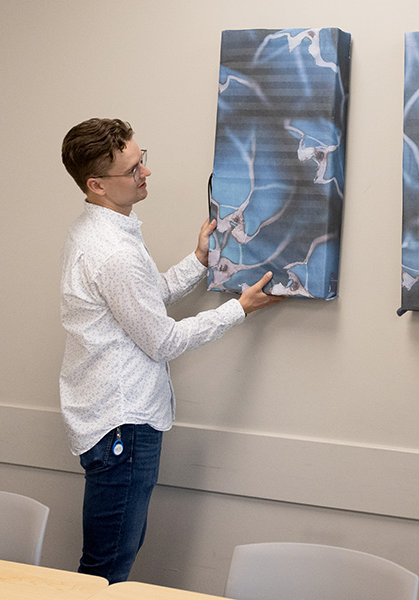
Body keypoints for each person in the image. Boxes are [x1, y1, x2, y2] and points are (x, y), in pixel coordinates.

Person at [59, 118, 282, 583]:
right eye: (133, 168)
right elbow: (162, 340)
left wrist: (198, 262)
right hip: (123, 425)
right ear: (97, 184)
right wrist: (240, 310)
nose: (146, 173)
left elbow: (143, 297)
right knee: (106, 570)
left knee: (108, 561)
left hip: (111, 421)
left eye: (143, 159)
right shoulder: (110, 251)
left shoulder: (99, 232)